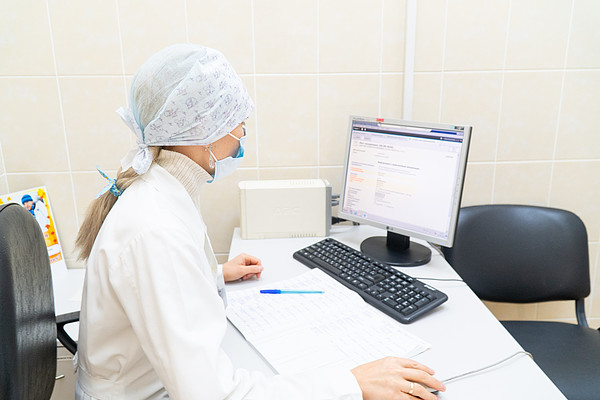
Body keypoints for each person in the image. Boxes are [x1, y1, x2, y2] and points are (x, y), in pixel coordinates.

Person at [74, 44, 446, 400]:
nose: (241, 132)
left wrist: (213, 274)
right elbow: (216, 395)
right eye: (236, 120)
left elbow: (158, 285)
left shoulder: (160, 189)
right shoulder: (155, 230)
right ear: (202, 130)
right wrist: (352, 385)